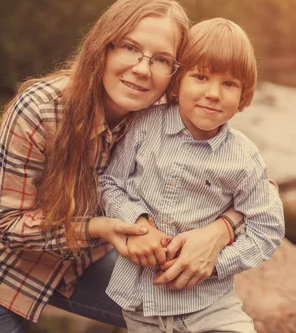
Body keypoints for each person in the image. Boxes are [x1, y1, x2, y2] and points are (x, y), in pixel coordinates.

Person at [0, 0, 272, 332]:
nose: (141, 69)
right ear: (102, 46)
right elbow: (7, 223)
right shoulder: (40, 109)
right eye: (129, 47)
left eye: (161, 59)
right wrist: (101, 228)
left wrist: (218, 233)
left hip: (82, 262)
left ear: (176, 74)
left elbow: (261, 190)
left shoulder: (159, 121)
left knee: (184, 311)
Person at [99, 17, 285, 333]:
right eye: (200, 77)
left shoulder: (244, 158)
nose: (213, 93)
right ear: (176, 82)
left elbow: (267, 226)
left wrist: (217, 264)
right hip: (141, 304)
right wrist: (138, 223)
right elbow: (109, 182)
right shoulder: (144, 126)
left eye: (229, 84)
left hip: (211, 307)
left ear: (243, 95)